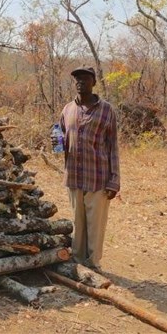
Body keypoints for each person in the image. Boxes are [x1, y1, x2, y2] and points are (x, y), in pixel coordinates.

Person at [52, 66, 120, 272]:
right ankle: (78, 263)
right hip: (73, 175)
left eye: (85, 79)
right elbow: (59, 137)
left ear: (94, 82)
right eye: (77, 79)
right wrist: (56, 141)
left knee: (95, 225)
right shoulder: (67, 109)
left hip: (98, 176)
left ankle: (93, 264)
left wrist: (114, 180)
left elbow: (113, 146)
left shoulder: (106, 110)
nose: (80, 82)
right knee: (77, 222)